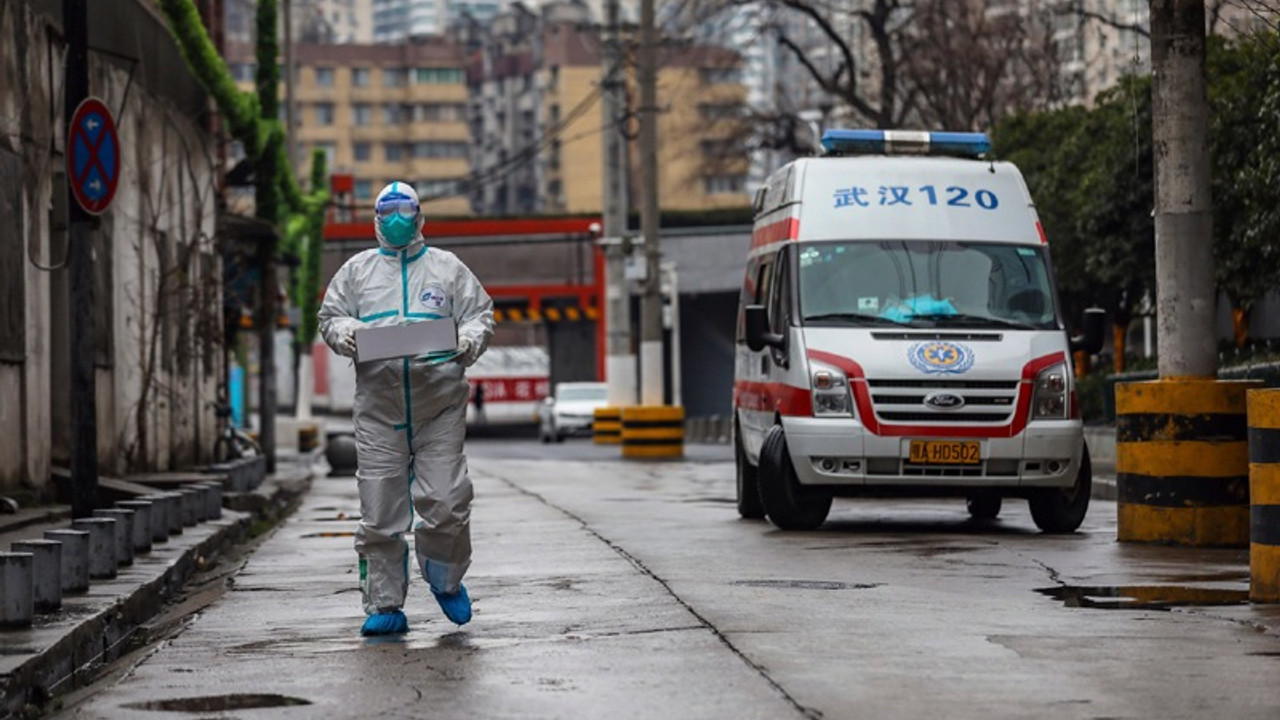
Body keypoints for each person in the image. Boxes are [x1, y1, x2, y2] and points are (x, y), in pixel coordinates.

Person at [319, 182, 495, 636]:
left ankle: (445, 577)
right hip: (380, 409)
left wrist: (468, 341)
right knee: (380, 510)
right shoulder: (356, 272)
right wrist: (349, 333)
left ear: (420, 216)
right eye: (387, 210)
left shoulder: (447, 269)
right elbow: (330, 317)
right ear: (375, 218)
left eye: (405, 209)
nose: (397, 217)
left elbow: (480, 314)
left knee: (447, 501)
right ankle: (385, 604)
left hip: (440, 406)